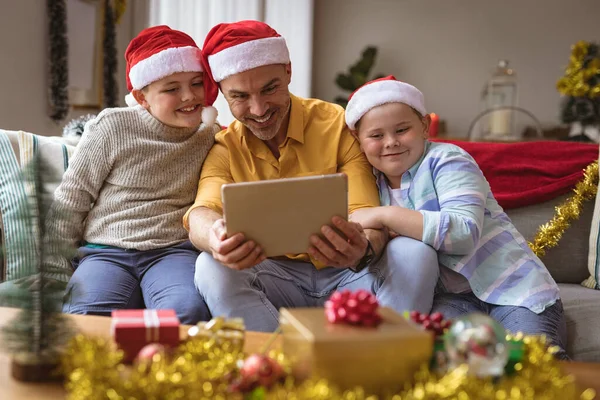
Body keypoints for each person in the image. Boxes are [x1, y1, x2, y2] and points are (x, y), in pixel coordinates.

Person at [185, 20, 439, 332]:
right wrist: (216, 237)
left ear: (288, 72)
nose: (259, 108)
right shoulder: (225, 147)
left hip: (352, 275)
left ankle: (374, 360)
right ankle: (277, 364)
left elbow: (365, 213)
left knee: (416, 253)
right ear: (222, 92)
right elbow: (201, 213)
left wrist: (364, 246)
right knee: (209, 265)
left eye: (270, 88)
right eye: (239, 96)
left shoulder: (338, 126)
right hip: (275, 278)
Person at [346, 76, 568, 359]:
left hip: (516, 293)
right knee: (436, 363)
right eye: (376, 136)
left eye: (402, 129)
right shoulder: (369, 186)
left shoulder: (448, 160)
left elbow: (463, 233)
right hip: (451, 301)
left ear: (424, 126)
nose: (390, 143)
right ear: (358, 140)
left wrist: (385, 215)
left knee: (534, 365)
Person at [49, 25, 221, 324]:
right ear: (142, 97)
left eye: (196, 83)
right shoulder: (112, 127)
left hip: (173, 252)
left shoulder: (211, 135)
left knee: (187, 313)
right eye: (171, 88)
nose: (190, 96)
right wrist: (54, 267)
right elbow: (71, 198)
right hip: (107, 252)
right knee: (84, 314)